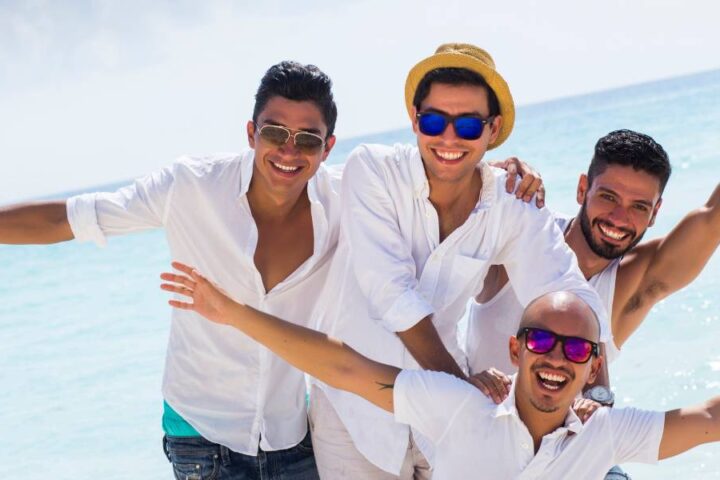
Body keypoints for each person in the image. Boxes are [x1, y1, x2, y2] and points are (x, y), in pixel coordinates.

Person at [0, 61, 341, 479]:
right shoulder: (191, 186)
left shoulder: (344, 205)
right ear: (251, 134)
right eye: (274, 133)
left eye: (307, 139)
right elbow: (71, 219)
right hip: (202, 439)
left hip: (293, 436)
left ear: (328, 148)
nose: (288, 151)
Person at [307, 42, 611, 479]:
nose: (449, 139)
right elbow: (390, 291)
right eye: (434, 120)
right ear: (415, 120)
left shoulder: (513, 200)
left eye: (468, 125)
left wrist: (594, 394)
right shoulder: (372, 170)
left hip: (445, 415)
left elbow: (565, 291)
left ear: (493, 128)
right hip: (353, 408)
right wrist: (457, 388)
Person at [160, 265, 720, 480]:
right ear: (516, 348)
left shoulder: (606, 432)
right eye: (543, 341)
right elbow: (345, 368)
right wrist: (231, 313)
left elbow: (708, 417)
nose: (556, 358)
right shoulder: (461, 407)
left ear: (595, 364)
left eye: (575, 350)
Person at [466, 130, 720, 404]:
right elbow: (446, 203)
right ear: (582, 189)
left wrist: (600, 403)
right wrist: (489, 173)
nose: (619, 219)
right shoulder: (524, 234)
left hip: (557, 446)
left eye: (639, 207)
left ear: (655, 213)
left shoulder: (631, 284)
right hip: (458, 434)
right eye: (608, 197)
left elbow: (712, 218)